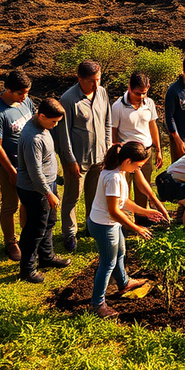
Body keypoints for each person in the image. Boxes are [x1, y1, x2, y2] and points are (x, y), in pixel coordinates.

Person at [87, 141, 165, 318]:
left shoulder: (120, 172)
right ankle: (97, 304)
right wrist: (136, 228)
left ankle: (124, 283)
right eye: (138, 165)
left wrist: (145, 211)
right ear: (128, 160)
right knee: (107, 263)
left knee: (120, 252)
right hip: (104, 225)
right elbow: (114, 211)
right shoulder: (114, 177)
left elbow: (124, 202)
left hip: (109, 223)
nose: (138, 169)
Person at [53, 60, 112, 252]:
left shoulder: (102, 93)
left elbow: (107, 123)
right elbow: (64, 134)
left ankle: (91, 226)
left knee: (94, 195)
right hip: (78, 159)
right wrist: (70, 160)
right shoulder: (69, 99)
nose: (96, 85)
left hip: (99, 156)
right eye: (91, 82)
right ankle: (69, 233)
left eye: (98, 80)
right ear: (80, 79)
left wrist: (108, 149)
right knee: (72, 196)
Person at [16, 98, 72, 283]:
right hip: (35, 190)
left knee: (49, 222)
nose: (55, 125)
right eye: (53, 121)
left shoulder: (43, 127)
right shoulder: (34, 138)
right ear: (41, 115)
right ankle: (27, 269)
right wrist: (48, 193)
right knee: (35, 228)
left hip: (48, 184)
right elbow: (34, 172)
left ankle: (46, 257)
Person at [0, 69, 34, 262]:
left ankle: (26, 237)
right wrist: (11, 170)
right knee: (10, 204)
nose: (24, 97)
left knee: (28, 202)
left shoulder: (26, 102)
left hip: (28, 163)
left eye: (27, 92)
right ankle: (10, 243)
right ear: (8, 90)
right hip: (9, 167)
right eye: (20, 93)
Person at [110, 72, 169, 219]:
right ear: (129, 87)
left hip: (146, 151)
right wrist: (115, 149)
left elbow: (152, 126)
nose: (141, 97)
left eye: (144, 93)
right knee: (125, 186)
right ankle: (125, 219)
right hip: (127, 153)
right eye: (138, 93)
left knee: (143, 186)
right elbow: (113, 130)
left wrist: (158, 149)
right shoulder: (118, 106)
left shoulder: (149, 103)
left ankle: (142, 217)